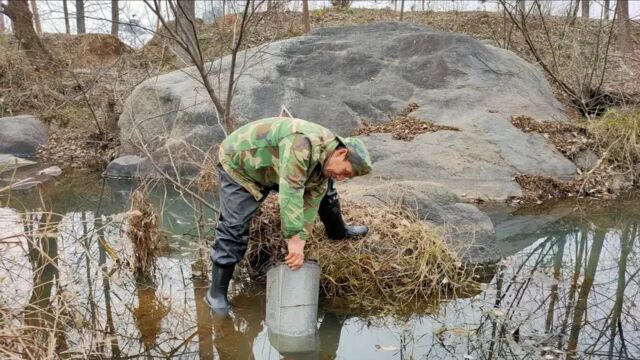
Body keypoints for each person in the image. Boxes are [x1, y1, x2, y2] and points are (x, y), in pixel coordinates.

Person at [206, 117, 372, 314]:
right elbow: (291, 192)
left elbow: (310, 202)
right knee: (234, 227)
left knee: (327, 191)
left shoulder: (328, 156)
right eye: (345, 172)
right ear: (342, 153)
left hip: (276, 164)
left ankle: (338, 232)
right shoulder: (302, 143)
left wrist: (300, 240)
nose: (342, 178)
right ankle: (215, 295)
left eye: (348, 177)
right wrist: (292, 237)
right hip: (241, 165)